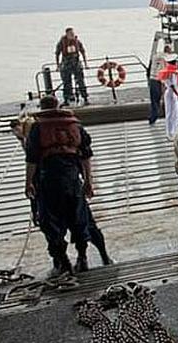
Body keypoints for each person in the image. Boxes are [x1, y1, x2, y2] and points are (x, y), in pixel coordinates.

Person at [12, 115, 112, 270]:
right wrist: (88, 182)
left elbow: (31, 164)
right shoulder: (70, 138)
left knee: (52, 229)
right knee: (84, 224)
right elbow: (85, 158)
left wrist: (29, 190)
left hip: (47, 190)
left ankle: (63, 262)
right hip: (72, 186)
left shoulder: (36, 141)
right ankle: (91, 257)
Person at [24, 95, 96, 274]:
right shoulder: (75, 126)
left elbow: (31, 159)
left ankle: (63, 261)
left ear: (41, 108)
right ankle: (82, 258)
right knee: (79, 219)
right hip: (73, 180)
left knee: (50, 222)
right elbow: (86, 155)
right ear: (58, 106)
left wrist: (28, 183)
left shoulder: (37, 128)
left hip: (48, 181)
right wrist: (88, 181)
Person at [54, 27, 89, 107]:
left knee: (81, 81)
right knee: (66, 82)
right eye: (70, 34)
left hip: (76, 63)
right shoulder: (62, 42)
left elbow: (83, 51)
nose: (72, 35)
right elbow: (57, 53)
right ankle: (67, 99)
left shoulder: (77, 41)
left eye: (73, 34)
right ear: (66, 34)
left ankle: (85, 97)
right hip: (66, 64)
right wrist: (57, 65)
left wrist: (85, 63)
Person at [157, 53, 178, 140]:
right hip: (171, 93)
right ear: (174, 63)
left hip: (170, 93)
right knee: (171, 113)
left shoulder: (172, 72)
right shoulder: (171, 73)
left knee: (174, 113)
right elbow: (171, 85)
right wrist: (177, 94)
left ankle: (173, 131)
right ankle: (170, 133)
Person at [148, 44, 173, 124]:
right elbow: (163, 72)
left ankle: (153, 118)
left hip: (152, 79)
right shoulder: (166, 58)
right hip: (159, 80)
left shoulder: (156, 56)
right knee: (165, 100)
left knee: (154, 100)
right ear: (169, 50)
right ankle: (168, 118)